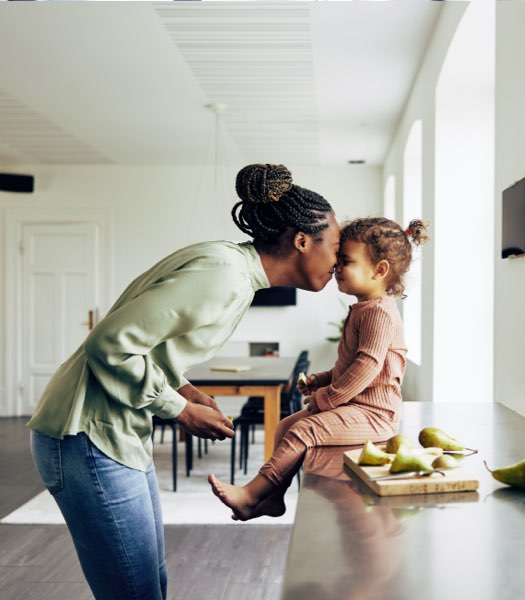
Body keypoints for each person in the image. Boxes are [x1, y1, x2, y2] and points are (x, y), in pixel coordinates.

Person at [27, 163, 340, 600]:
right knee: (135, 593)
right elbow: (110, 344)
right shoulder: (224, 274)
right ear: (302, 242)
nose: (340, 262)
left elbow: (149, 346)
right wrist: (178, 410)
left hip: (111, 434)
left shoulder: (234, 270)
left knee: (149, 583)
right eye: (337, 248)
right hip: (86, 435)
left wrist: (185, 390)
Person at [209, 216, 429, 521]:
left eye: (346, 261)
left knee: (303, 431)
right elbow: (352, 365)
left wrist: (329, 397)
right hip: (356, 406)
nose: (337, 267)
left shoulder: (379, 313)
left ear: (379, 271)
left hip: (376, 415)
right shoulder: (364, 309)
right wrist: (322, 379)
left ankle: (252, 494)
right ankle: (273, 498)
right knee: (285, 426)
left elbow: (367, 366)